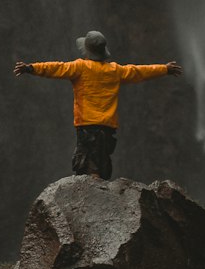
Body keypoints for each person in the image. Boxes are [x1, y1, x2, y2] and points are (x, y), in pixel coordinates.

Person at [14, 30, 183, 180]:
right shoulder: (115, 70)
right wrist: (165, 69)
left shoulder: (80, 67)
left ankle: (93, 197)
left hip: (87, 125)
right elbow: (139, 71)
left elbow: (55, 68)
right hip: (108, 127)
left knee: (86, 164)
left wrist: (30, 68)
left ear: (87, 51)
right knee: (101, 163)